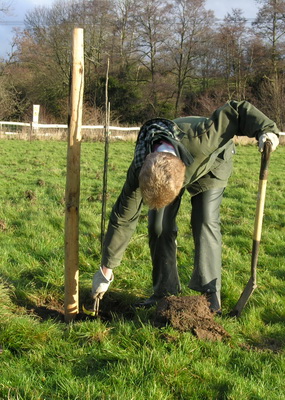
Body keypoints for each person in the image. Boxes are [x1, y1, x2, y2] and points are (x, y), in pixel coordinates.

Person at [91, 100, 279, 313]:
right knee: (158, 225)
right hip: (167, 169)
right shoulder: (140, 169)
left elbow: (236, 110)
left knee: (205, 220)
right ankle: (164, 291)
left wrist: (266, 130)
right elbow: (123, 218)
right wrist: (106, 270)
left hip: (213, 161)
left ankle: (209, 294)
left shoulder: (205, 137)